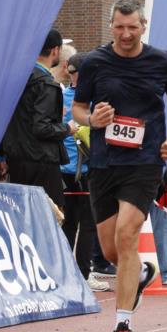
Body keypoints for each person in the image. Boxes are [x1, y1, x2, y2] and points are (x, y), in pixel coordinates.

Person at [71, 0, 167, 332]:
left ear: (143, 25)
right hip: (105, 163)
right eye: (119, 27)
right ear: (111, 26)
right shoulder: (94, 63)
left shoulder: (161, 60)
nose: (125, 34)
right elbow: (78, 108)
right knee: (110, 249)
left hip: (145, 162)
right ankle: (136, 274)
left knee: (126, 236)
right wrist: (93, 120)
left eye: (132, 27)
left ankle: (123, 325)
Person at [3, 28, 77, 207]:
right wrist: (68, 129)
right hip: (41, 160)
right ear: (55, 50)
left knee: (21, 215)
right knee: (52, 216)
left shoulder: (15, 80)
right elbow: (42, 127)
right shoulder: (47, 84)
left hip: (15, 158)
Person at [60, 51, 109, 292]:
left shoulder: (60, 96)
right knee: (88, 224)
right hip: (87, 168)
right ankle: (83, 273)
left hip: (64, 168)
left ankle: (67, 272)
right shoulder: (92, 102)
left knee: (68, 223)